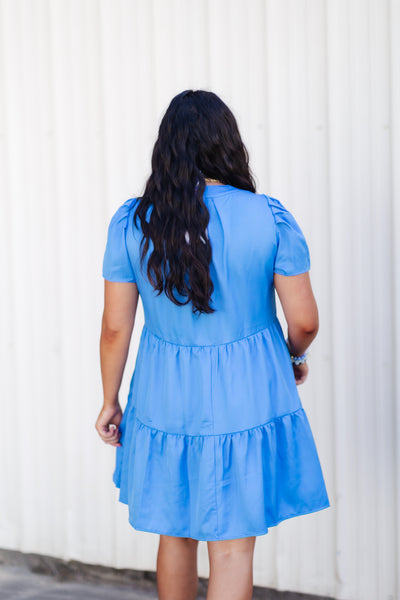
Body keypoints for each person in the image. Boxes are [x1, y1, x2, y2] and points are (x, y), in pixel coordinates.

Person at [95, 89, 330, 600]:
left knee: (174, 533)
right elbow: (305, 320)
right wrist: (293, 355)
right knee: (230, 548)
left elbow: (117, 327)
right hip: (246, 391)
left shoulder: (134, 222)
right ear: (228, 144)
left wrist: (111, 400)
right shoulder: (267, 216)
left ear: (167, 148)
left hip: (164, 393)